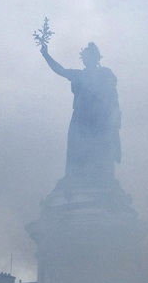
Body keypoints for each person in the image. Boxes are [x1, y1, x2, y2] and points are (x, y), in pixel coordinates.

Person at [40, 42, 121, 182]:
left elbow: (112, 93)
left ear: (96, 58)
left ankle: (100, 177)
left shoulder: (105, 73)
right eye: (84, 57)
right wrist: (46, 55)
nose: (85, 59)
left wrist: (112, 117)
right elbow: (60, 70)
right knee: (77, 145)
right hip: (81, 117)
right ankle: (76, 176)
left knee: (99, 145)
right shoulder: (78, 75)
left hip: (99, 117)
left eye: (88, 56)